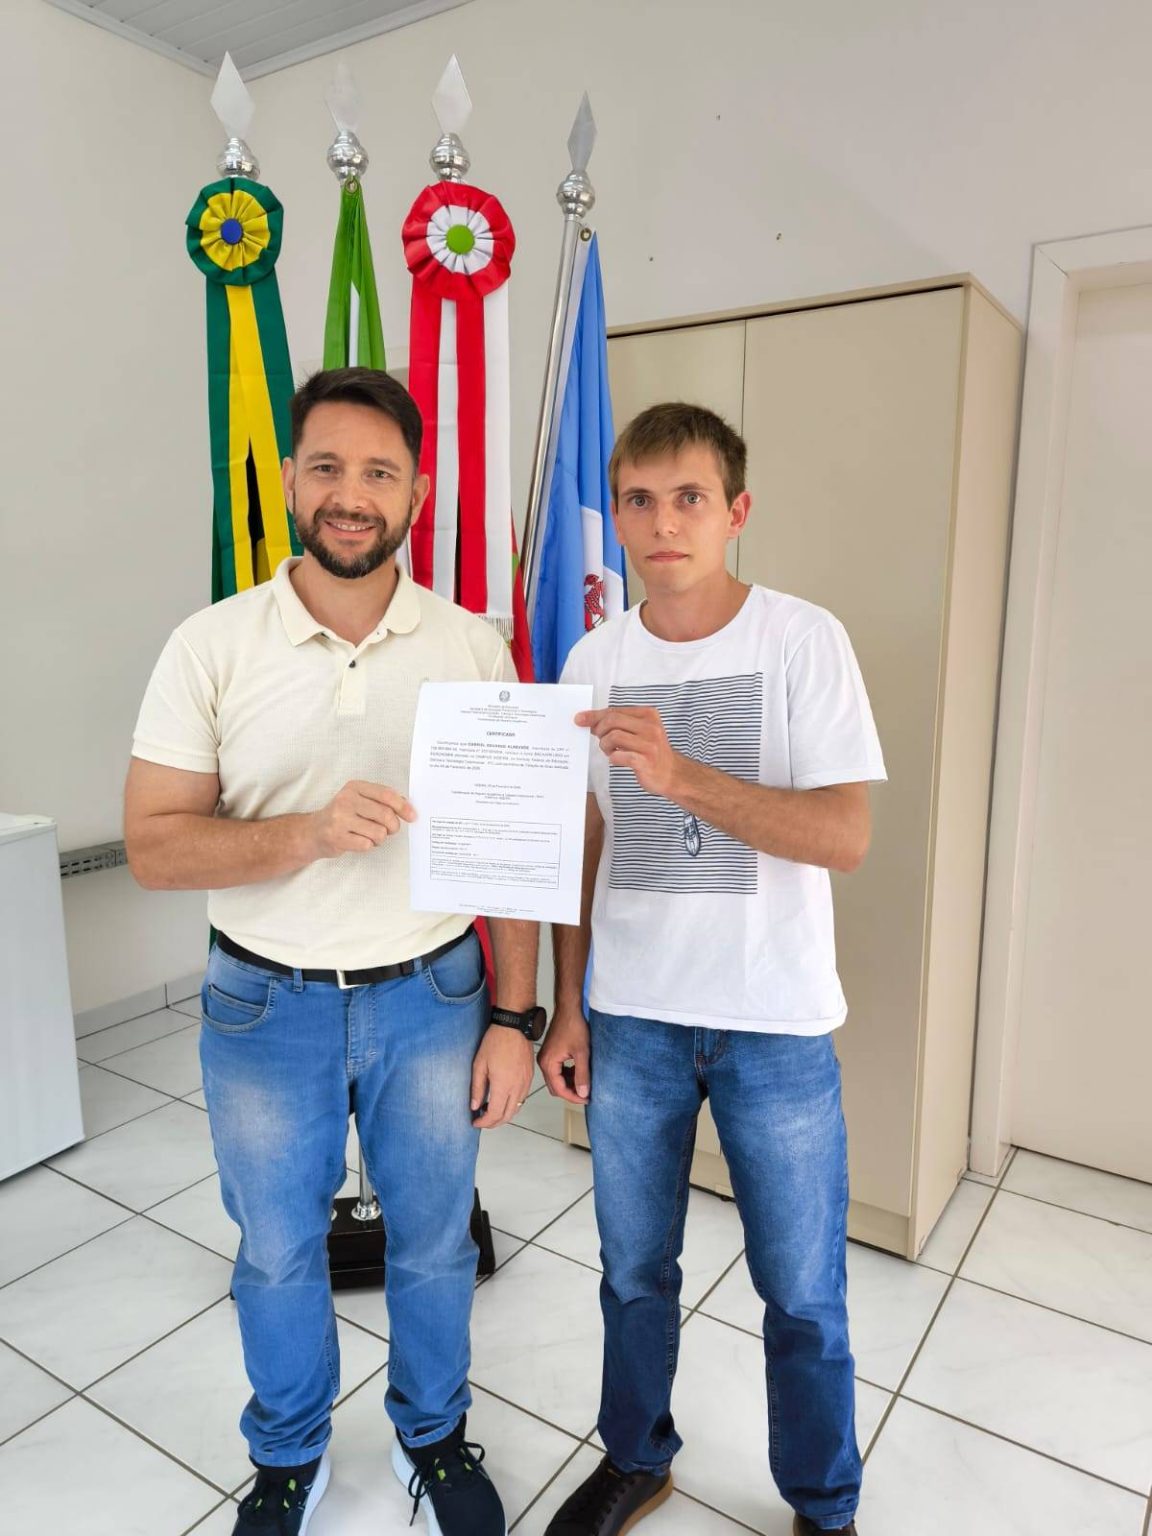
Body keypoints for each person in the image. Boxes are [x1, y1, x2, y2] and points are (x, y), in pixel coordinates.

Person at [124, 367, 545, 1536]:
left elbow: (509, 856)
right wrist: (306, 833)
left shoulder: (471, 647)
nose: (350, 495)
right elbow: (154, 847)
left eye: (378, 472)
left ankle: (433, 1437)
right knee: (274, 1254)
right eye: (326, 467)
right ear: (290, 480)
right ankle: (288, 1454)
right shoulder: (211, 644)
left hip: (434, 999)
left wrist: (515, 1019)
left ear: (417, 491)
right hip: (266, 1007)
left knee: (435, 1245)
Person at [538, 402, 886, 1536]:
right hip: (632, 1019)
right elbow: (584, 839)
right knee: (633, 1272)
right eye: (638, 499)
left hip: (773, 1025)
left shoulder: (801, 639)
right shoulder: (595, 658)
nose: (662, 522)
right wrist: (568, 1004)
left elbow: (843, 836)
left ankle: (824, 1503)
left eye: (689, 497)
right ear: (617, 516)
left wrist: (683, 776)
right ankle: (637, 1459)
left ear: (736, 512)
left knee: (803, 1291)